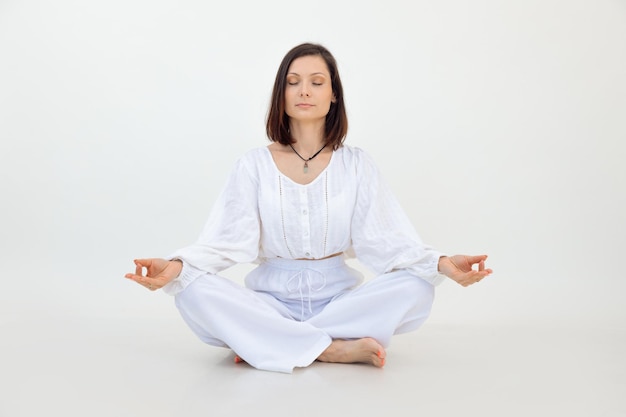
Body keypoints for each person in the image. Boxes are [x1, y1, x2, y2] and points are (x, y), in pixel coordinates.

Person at [124, 42, 492, 373]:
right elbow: (224, 240)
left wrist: (443, 264)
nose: (304, 90)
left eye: (317, 82)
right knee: (192, 287)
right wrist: (174, 268)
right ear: (280, 94)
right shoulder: (252, 164)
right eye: (293, 81)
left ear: (334, 95)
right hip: (269, 303)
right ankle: (329, 349)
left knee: (418, 285)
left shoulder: (356, 164)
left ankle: (267, 342)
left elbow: (387, 240)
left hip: (340, 303)